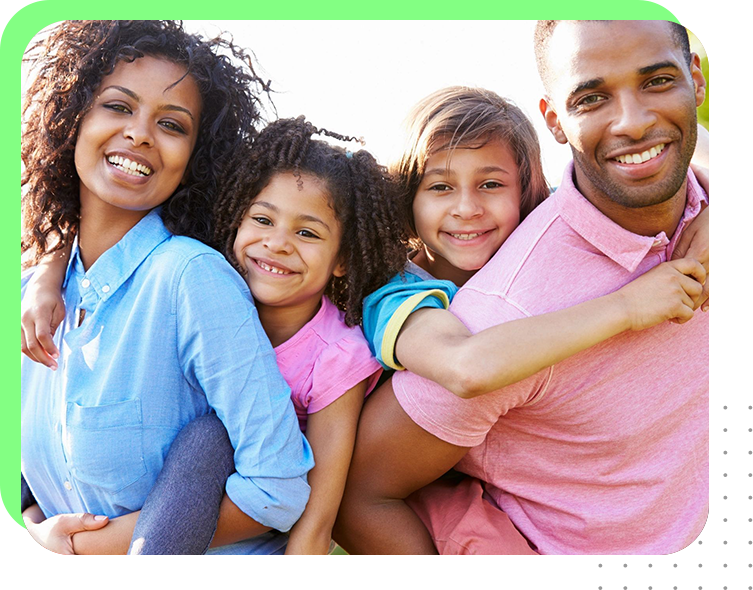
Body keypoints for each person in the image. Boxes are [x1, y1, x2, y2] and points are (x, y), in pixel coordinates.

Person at [335, 20, 709, 555]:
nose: (633, 120)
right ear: (557, 120)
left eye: (656, 81)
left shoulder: (697, 201)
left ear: (696, 80)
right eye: (592, 96)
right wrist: (626, 307)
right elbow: (466, 368)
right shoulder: (472, 313)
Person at [22, 116, 407, 554]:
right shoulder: (204, 291)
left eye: (306, 232)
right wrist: (47, 274)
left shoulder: (336, 356)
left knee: (209, 437)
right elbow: (89, 229)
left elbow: (316, 520)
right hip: (166, 504)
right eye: (262, 219)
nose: (277, 243)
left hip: (239, 519)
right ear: (234, 220)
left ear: (343, 258)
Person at [21, 20, 313, 556]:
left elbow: (277, 489)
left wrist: (79, 550)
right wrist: (32, 535)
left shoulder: (190, 278)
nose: (139, 133)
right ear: (71, 119)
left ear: (195, 155)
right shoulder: (29, 292)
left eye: (172, 124)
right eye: (117, 106)